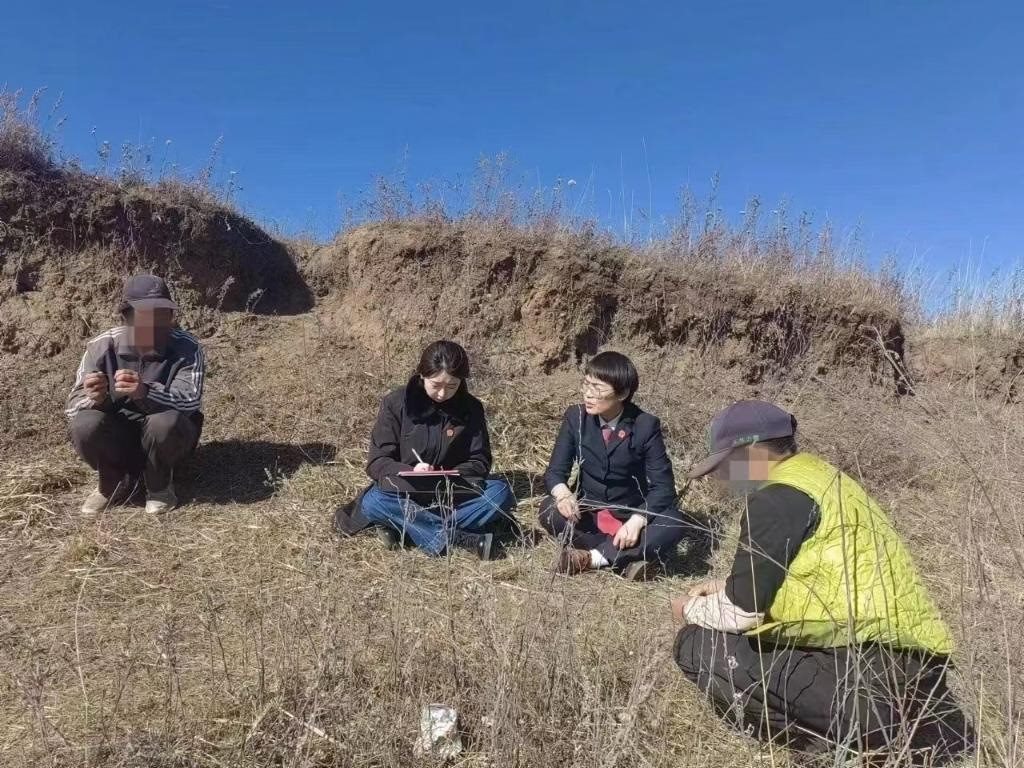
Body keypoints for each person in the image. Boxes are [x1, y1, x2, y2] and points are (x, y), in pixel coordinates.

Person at [672, 400, 972, 764]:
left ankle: (829, 749)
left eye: (725, 466)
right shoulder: (826, 479)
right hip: (919, 678)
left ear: (752, 452)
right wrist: (727, 584)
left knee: (694, 643)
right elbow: (822, 570)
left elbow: (740, 615)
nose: (722, 477)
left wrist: (688, 609)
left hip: (867, 686)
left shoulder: (774, 500)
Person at [333, 340, 517, 560]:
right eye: (436, 385)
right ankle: (457, 536)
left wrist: (450, 474)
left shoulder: (471, 408)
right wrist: (410, 470)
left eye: (452, 386)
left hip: (450, 490)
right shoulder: (395, 403)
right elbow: (378, 461)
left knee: (499, 492)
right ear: (422, 375)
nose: (442, 394)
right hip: (405, 490)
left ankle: (410, 528)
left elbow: (480, 460)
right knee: (374, 501)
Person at [539, 351, 690, 580]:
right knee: (548, 509)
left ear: (622, 393)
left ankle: (592, 558)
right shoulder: (576, 417)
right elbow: (555, 472)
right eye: (586, 384)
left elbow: (664, 488)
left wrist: (638, 520)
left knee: (674, 523)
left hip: (629, 513)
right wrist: (563, 494)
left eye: (598, 388)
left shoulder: (645, 425)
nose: (588, 394)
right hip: (588, 512)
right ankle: (624, 558)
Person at [66, 274, 205, 515]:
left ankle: (160, 486)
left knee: (165, 421)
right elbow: (72, 407)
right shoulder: (102, 346)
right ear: (126, 316)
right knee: (85, 423)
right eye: (146, 316)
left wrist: (145, 392)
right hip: (119, 438)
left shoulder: (187, 347)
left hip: (166, 439)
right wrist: (96, 399)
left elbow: (190, 400)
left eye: (163, 314)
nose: (156, 324)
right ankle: (112, 484)